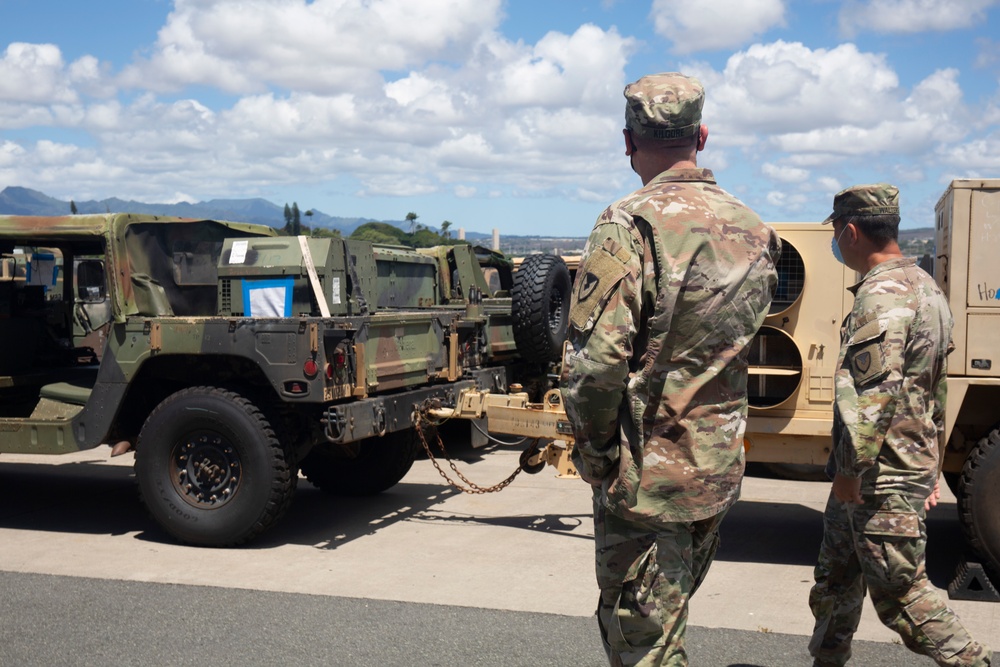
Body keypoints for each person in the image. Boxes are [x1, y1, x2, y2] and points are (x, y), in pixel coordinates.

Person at [561, 72, 780, 666]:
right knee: (668, 614)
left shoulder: (629, 224)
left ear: (627, 141)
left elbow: (596, 365)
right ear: (701, 136)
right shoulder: (757, 230)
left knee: (644, 645)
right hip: (716, 468)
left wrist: (597, 456)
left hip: (645, 480)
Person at [808, 183, 992, 667]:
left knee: (902, 596)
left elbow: (870, 399)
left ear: (850, 232)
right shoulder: (925, 287)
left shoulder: (882, 297)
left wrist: (849, 471)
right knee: (835, 579)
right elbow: (935, 388)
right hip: (890, 466)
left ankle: (972, 661)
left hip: (876, 474)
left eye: (835, 232)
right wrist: (929, 466)